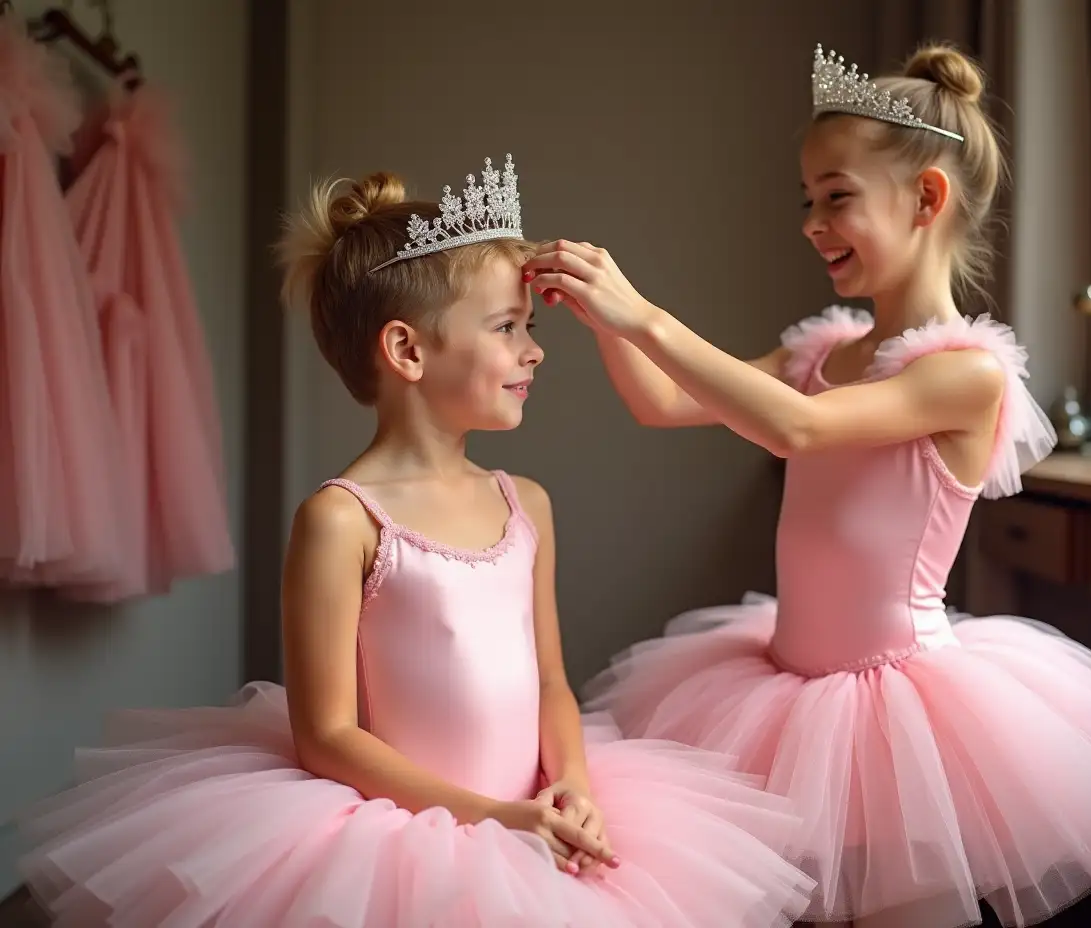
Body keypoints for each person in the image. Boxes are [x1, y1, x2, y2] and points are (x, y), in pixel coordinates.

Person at [523, 44, 1091, 928]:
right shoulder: (822, 352)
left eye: (838, 196)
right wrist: (602, 319)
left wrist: (646, 313)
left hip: (901, 715)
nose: (813, 221)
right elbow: (664, 403)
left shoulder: (967, 375)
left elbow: (797, 426)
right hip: (780, 690)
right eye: (808, 200)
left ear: (927, 197)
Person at [16, 155, 816, 928]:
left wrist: (570, 783)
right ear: (406, 350)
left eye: (531, 327)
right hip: (410, 841)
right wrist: (491, 819)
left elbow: (549, 682)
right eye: (507, 328)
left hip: (532, 813)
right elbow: (326, 735)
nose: (534, 350)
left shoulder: (525, 503)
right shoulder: (342, 520)